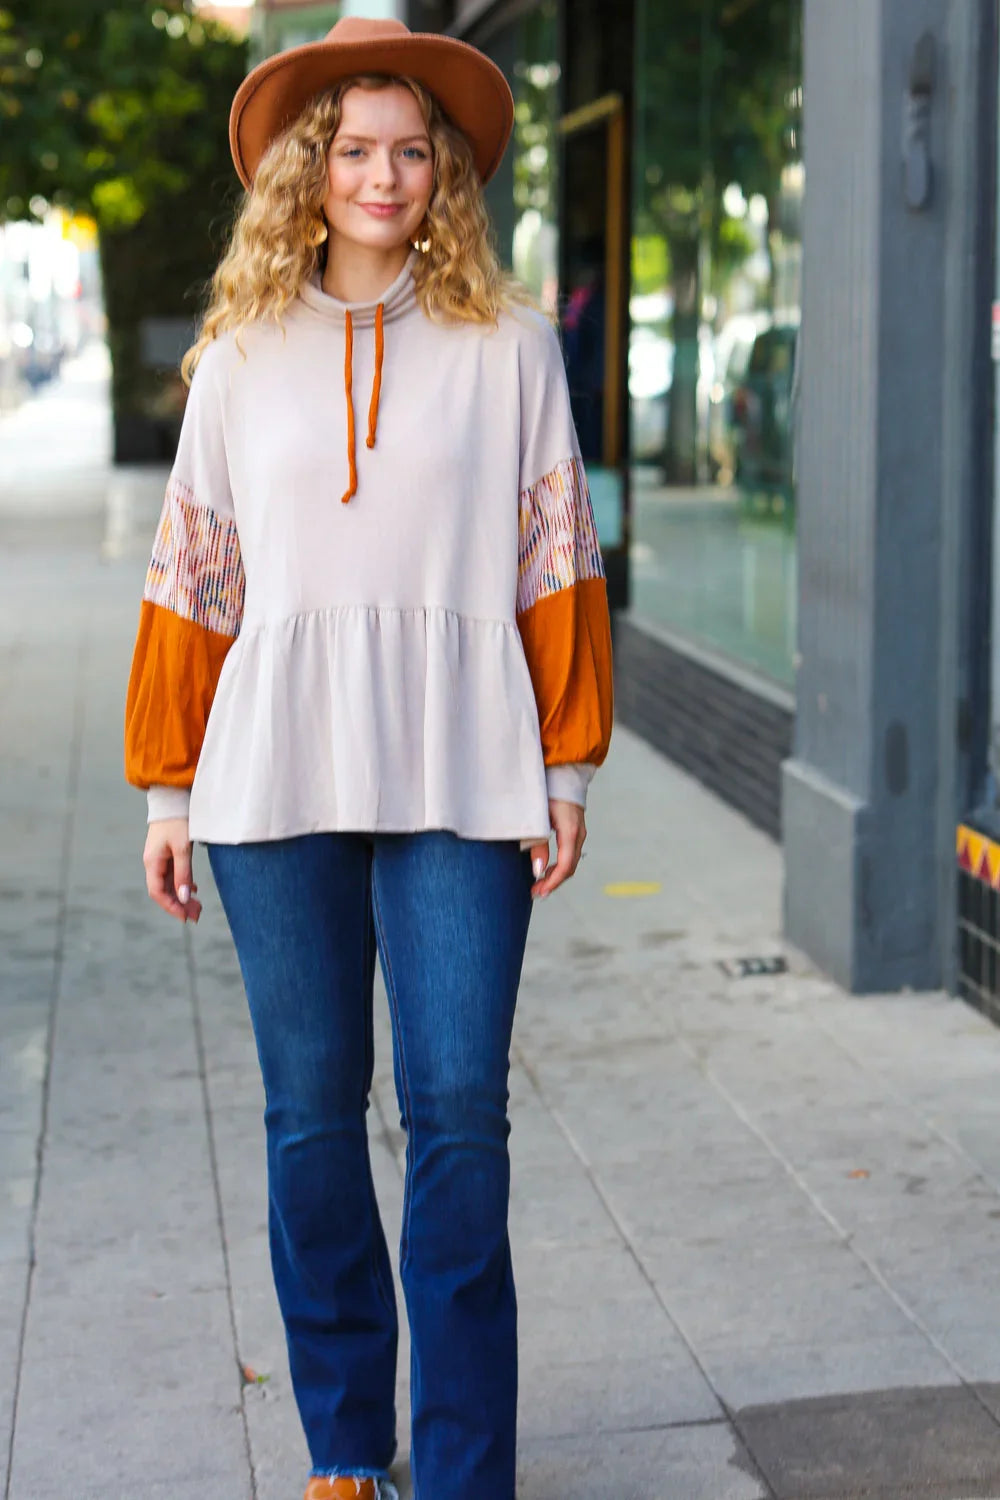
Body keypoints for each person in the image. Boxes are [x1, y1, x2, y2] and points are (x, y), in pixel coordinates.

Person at [123, 16, 613, 1500]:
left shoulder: (514, 349)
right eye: (355, 149)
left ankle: (466, 1471)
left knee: (459, 1116)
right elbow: (192, 579)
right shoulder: (237, 360)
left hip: (469, 769)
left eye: (412, 150)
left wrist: (568, 766)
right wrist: (166, 784)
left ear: (444, 173)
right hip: (272, 779)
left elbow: (556, 563)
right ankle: (347, 1443)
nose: (383, 175)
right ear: (307, 168)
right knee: (311, 1120)